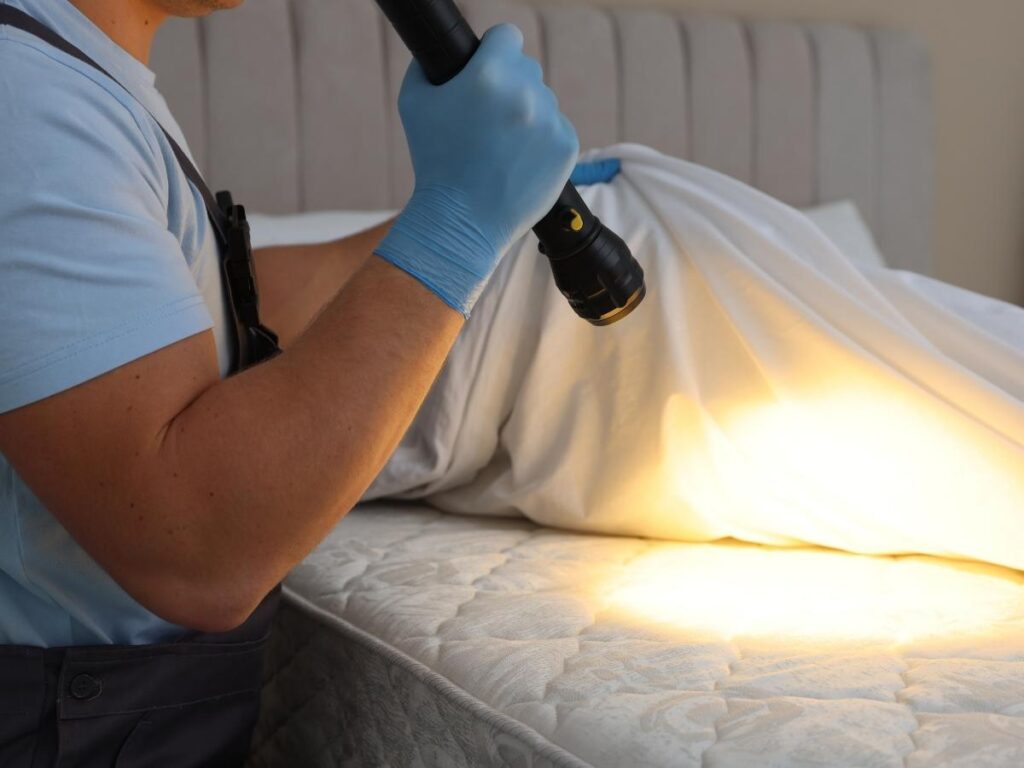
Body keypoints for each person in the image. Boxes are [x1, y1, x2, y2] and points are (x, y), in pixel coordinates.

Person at [0, 0, 578, 763]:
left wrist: (487, 207)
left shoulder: (67, 75)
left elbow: (188, 320)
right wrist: (457, 224)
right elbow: (195, 546)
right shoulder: (28, 99)